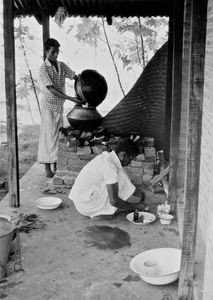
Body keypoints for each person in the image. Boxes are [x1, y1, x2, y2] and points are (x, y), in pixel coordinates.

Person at [68, 138, 146, 220]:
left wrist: (139, 192)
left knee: (121, 175)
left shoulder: (108, 157)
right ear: (122, 155)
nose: (130, 162)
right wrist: (136, 207)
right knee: (120, 178)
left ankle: (104, 209)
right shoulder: (110, 166)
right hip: (85, 206)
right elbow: (114, 201)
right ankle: (99, 212)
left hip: (80, 202)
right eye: (130, 158)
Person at [37, 38, 82, 178]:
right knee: (48, 136)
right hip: (49, 107)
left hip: (59, 107)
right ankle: (47, 167)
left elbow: (74, 76)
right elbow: (51, 89)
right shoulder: (43, 69)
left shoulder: (61, 66)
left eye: (57, 52)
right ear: (46, 52)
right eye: (53, 52)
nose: (56, 55)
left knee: (58, 136)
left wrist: (82, 80)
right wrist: (71, 98)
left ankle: (56, 163)